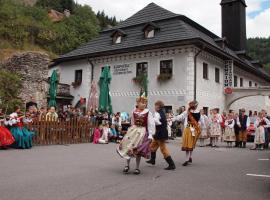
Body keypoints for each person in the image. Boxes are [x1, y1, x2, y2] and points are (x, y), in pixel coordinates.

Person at [116, 94, 155, 175]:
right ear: (138, 103)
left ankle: (137, 167)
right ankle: (127, 165)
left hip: (142, 132)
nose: (143, 104)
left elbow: (151, 124)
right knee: (128, 147)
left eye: (145, 103)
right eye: (141, 102)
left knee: (137, 150)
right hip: (133, 131)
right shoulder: (134, 111)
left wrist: (150, 134)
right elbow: (132, 122)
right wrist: (130, 130)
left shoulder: (148, 112)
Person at [146, 100, 175, 170]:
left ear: (158, 106)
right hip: (159, 133)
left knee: (163, 149)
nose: (154, 107)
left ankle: (171, 164)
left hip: (160, 133)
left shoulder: (157, 113)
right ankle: (152, 160)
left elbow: (157, 122)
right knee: (152, 146)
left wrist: (151, 120)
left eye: (155, 105)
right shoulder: (162, 112)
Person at [173, 100, 203, 166]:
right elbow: (181, 117)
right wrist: (174, 118)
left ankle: (188, 158)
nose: (193, 106)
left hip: (192, 129)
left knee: (189, 144)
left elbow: (201, 122)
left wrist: (173, 118)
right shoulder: (189, 112)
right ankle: (188, 158)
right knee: (189, 144)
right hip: (191, 129)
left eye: (193, 105)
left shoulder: (195, 112)